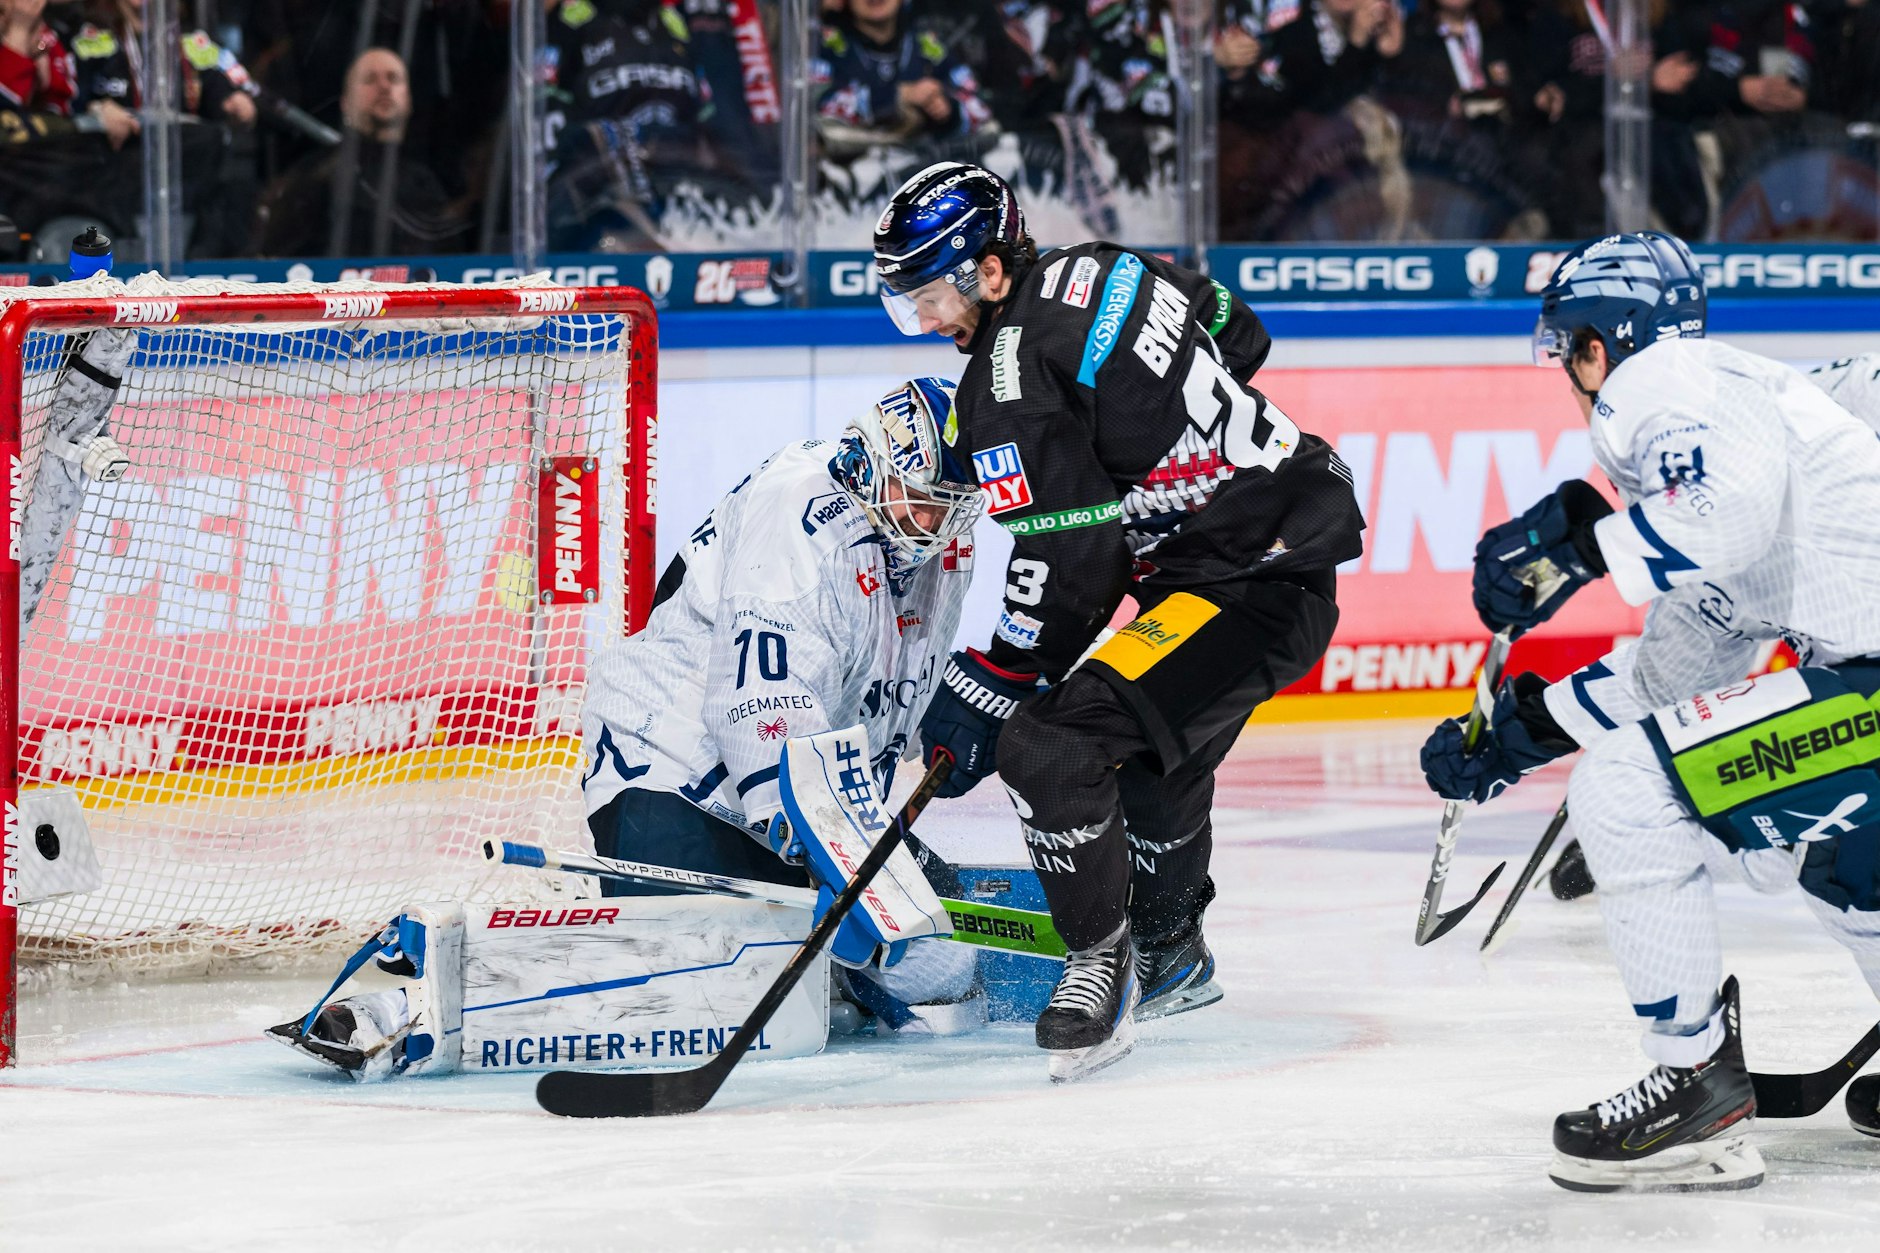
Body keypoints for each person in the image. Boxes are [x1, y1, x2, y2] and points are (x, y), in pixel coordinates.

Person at [280, 380, 989, 1075]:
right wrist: (828, 853)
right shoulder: (799, 510)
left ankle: (837, 982)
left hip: (787, 796)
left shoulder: (937, 546)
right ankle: (411, 1010)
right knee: (708, 984)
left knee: (938, 951)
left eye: (954, 510)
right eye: (923, 501)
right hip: (673, 775)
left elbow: (880, 684)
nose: (934, 525)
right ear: (869, 464)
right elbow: (758, 702)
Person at [872, 161, 1365, 1081]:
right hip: (1269, 559)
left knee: (1050, 746)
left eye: (930, 296)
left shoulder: (1007, 380)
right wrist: (1178, 454)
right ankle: (1172, 946)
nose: (929, 322)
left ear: (986, 269)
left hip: (1242, 587)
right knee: (1145, 739)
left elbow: (1074, 564)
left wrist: (992, 684)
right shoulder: (1107, 264)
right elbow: (1236, 331)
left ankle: (1103, 958)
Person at [1420, 230, 1880, 1191]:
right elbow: (1677, 673)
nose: (1572, 375)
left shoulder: (1664, 379)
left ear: (1599, 342)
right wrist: (1525, 727)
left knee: (1628, 790)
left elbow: (1725, 517)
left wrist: (1579, 549)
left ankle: (1692, 1084)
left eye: (1568, 349)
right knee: (1848, 864)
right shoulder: (1741, 415)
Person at [252, 46, 465, 257]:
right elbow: (275, 253)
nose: (384, 86)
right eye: (370, 79)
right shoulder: (317, 174)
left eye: (393, 78)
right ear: (345, 103)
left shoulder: (437, 173)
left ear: (408, 100)